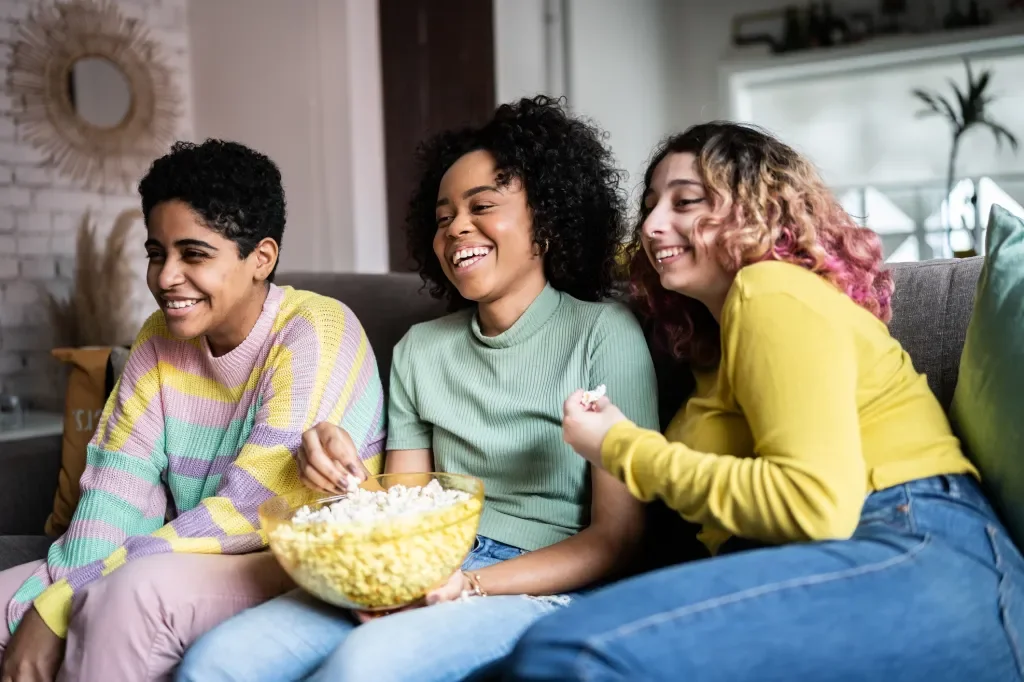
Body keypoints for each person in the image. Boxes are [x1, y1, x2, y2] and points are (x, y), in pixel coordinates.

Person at [503, 123, 1024, 681]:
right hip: (838, 559)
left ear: (757, 208)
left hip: (916, 545)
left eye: (685, 202)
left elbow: (812, 503)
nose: (651, 226)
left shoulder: (771, 290)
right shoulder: (714, 355)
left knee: (573, 651)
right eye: (650, 206)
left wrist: (619, 447)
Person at [176, 96, 660, 682]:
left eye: (482, 206)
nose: (456, 227)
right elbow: (401, 511)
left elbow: (618, 540)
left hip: (544, 585)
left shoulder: (605, 333)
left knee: (362, 669)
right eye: (443, 216)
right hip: (427, 562)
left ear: (548, 220)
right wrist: (341, 475)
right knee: (215, 662)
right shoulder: (419, 350)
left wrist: (468, 584)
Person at [0, 140, 386, 682]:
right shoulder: (158, 339)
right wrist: (53, 598)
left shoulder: (316, 330)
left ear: (262, 258)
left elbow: (253, 508)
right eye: (156, 253)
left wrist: (62, 602)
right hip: (183, 552)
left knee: (120, 601)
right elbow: (117, 487)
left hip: (286, 560)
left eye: (194, 254)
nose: (165, 277)